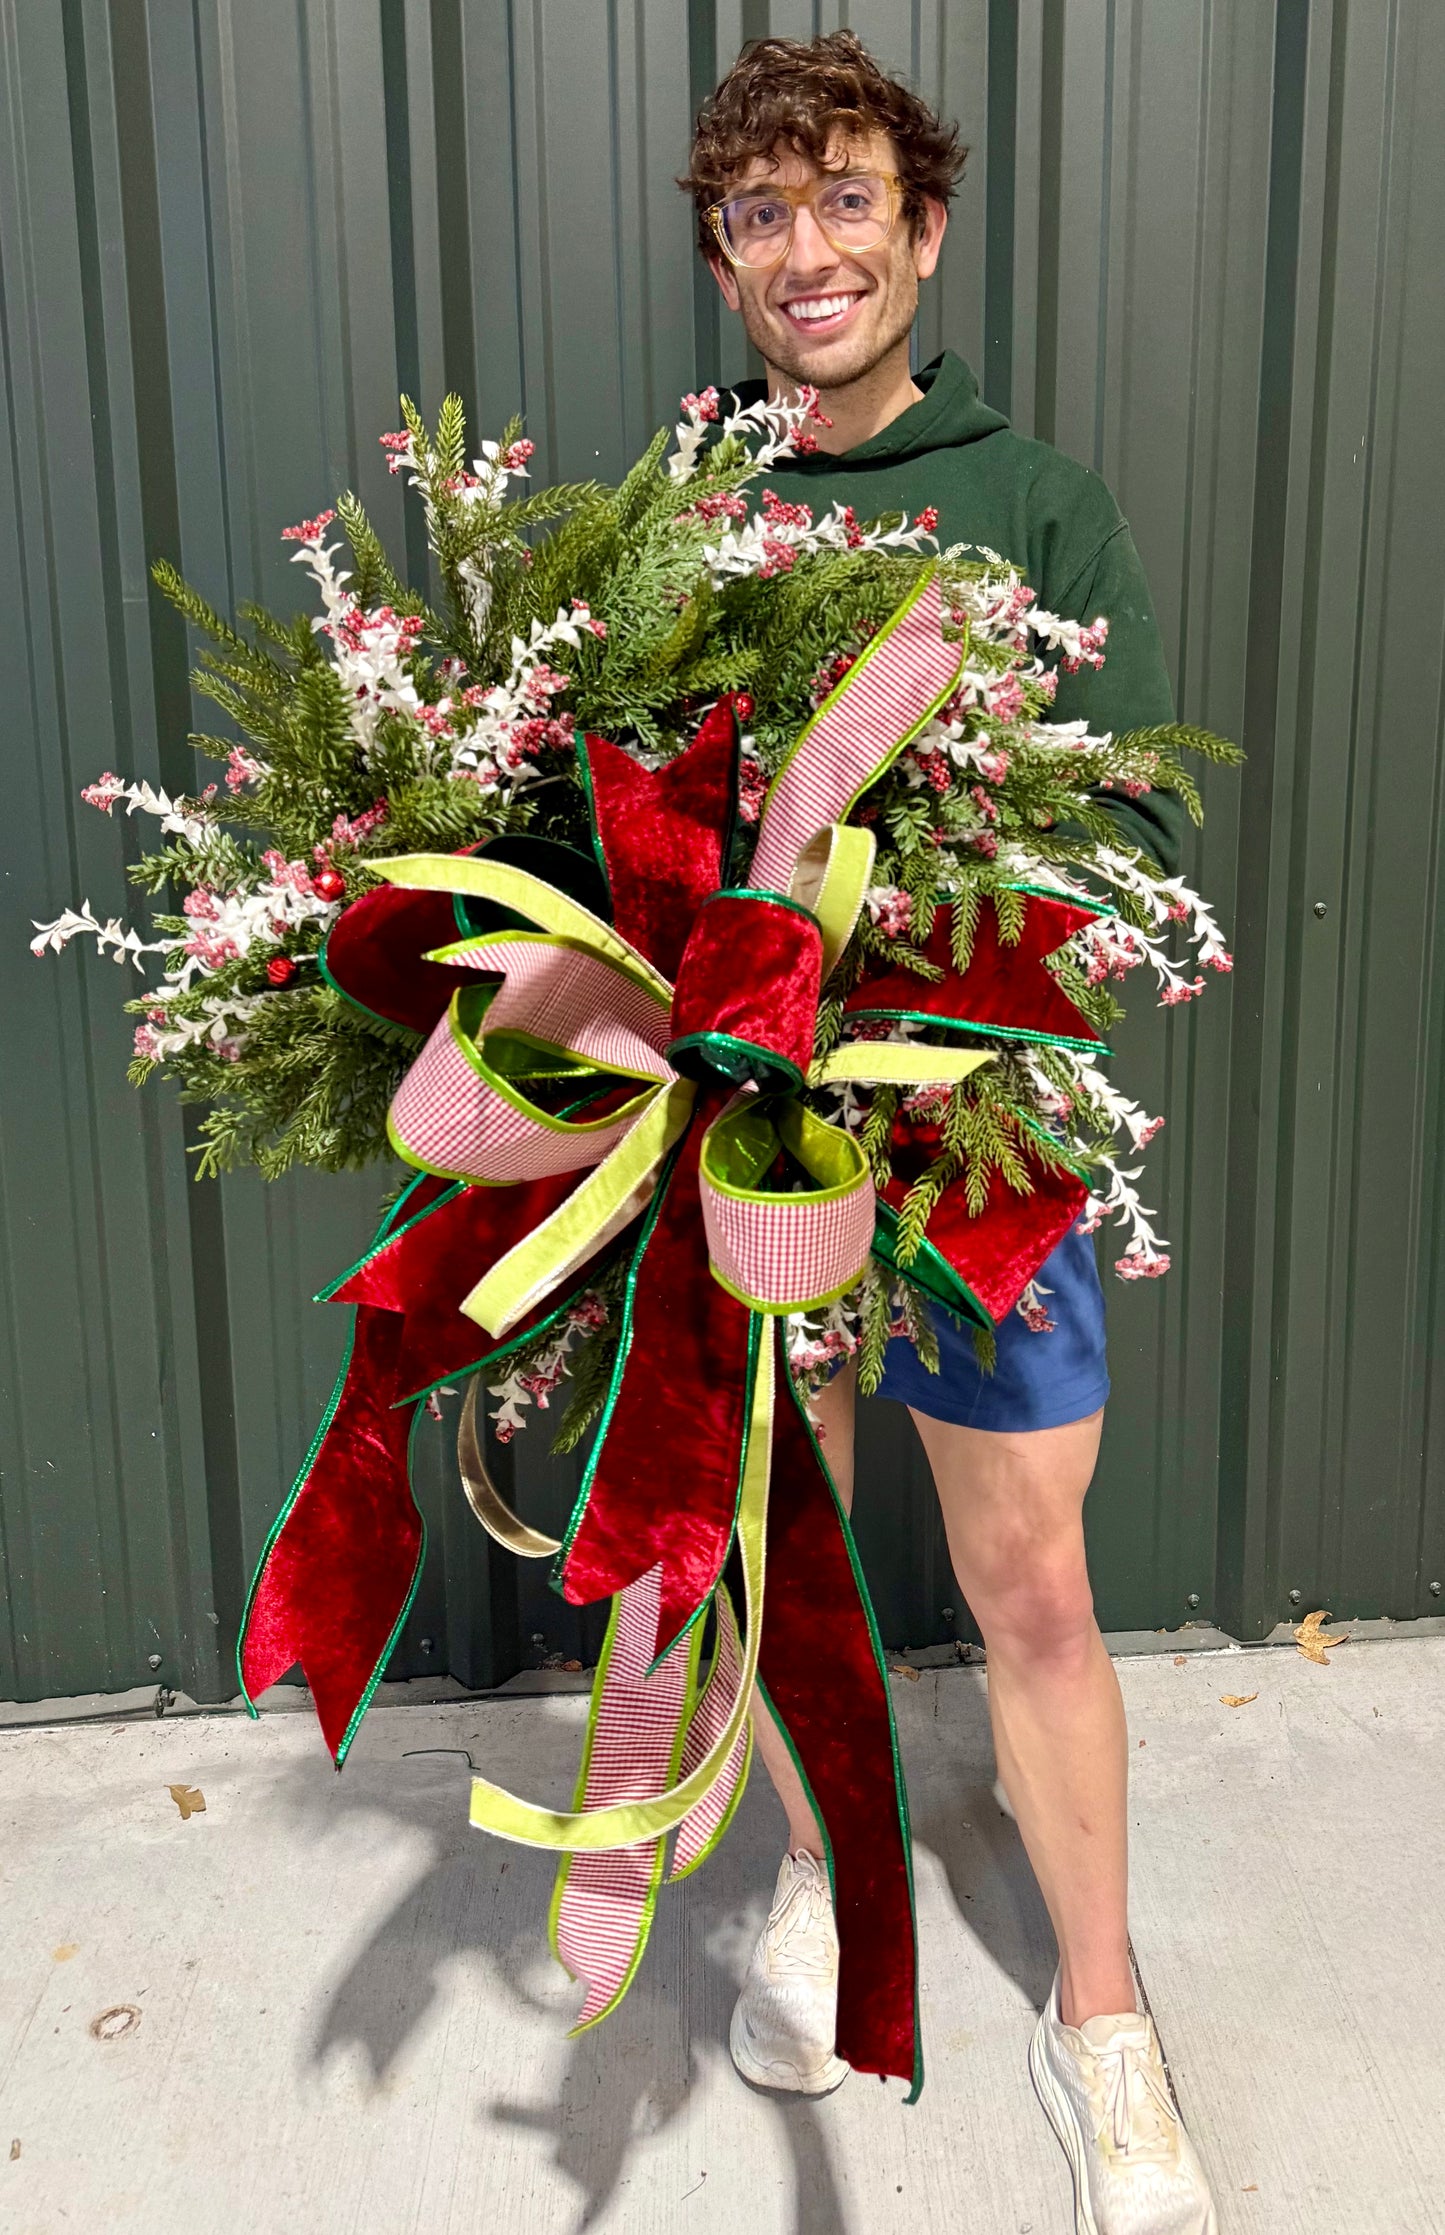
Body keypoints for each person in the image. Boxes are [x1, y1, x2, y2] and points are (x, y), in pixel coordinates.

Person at [681, 33, 1219, 2235]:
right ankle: (818, 1886)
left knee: (1033, 1588)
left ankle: (1102, 2014)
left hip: (978, 1133)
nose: (807, 251)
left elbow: (1143, 810)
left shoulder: (1039, 502)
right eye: (760, 216)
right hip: (756, 1135)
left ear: (922, 226)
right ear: (728, 262)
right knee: (782, 1548)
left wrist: (938, 905)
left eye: (844, 203)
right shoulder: (686, 504)